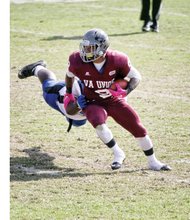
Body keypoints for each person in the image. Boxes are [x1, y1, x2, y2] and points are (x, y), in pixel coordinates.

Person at [64, 28, 171, 171]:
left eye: (90, 48)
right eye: (85, 47)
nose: (86, 51)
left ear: (102, 48)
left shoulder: (118, 59)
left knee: (138, 128)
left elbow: (136, 76)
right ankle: (118, 153)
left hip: (113, 100)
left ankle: (153, 161)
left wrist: (126, 91)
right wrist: (69, 93)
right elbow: (69, 75)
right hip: (92, 101)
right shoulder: (76, 60)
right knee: (97, 122)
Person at [18, 60, 87, 132]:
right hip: (65, 95)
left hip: (81, 111)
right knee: (48, 87)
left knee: (78, 122)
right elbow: (69, 110)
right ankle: (37, 68)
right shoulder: (79, 89)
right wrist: (77, 104)